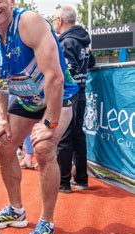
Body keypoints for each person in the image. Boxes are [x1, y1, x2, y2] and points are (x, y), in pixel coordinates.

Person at [0, 0, 80, 234]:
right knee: (3, 144)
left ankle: (47, 224)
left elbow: (55, 78)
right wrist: (2, 117)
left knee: (44, 148)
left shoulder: (29, 23)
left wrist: (49, 122)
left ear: (12, 2)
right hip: (28, 99)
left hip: (57, 96)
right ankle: (16, 211)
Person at [52, 6, 94, 193]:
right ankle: (82, 179)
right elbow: (91, 63)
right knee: (77, 135)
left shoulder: (66, 42)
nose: (53, 23)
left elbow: (67, 72)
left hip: (70, 95)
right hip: (82, 92)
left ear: (60, 21)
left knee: (65, 137)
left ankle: (63, 182)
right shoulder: (83, 41)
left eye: (54, 19)